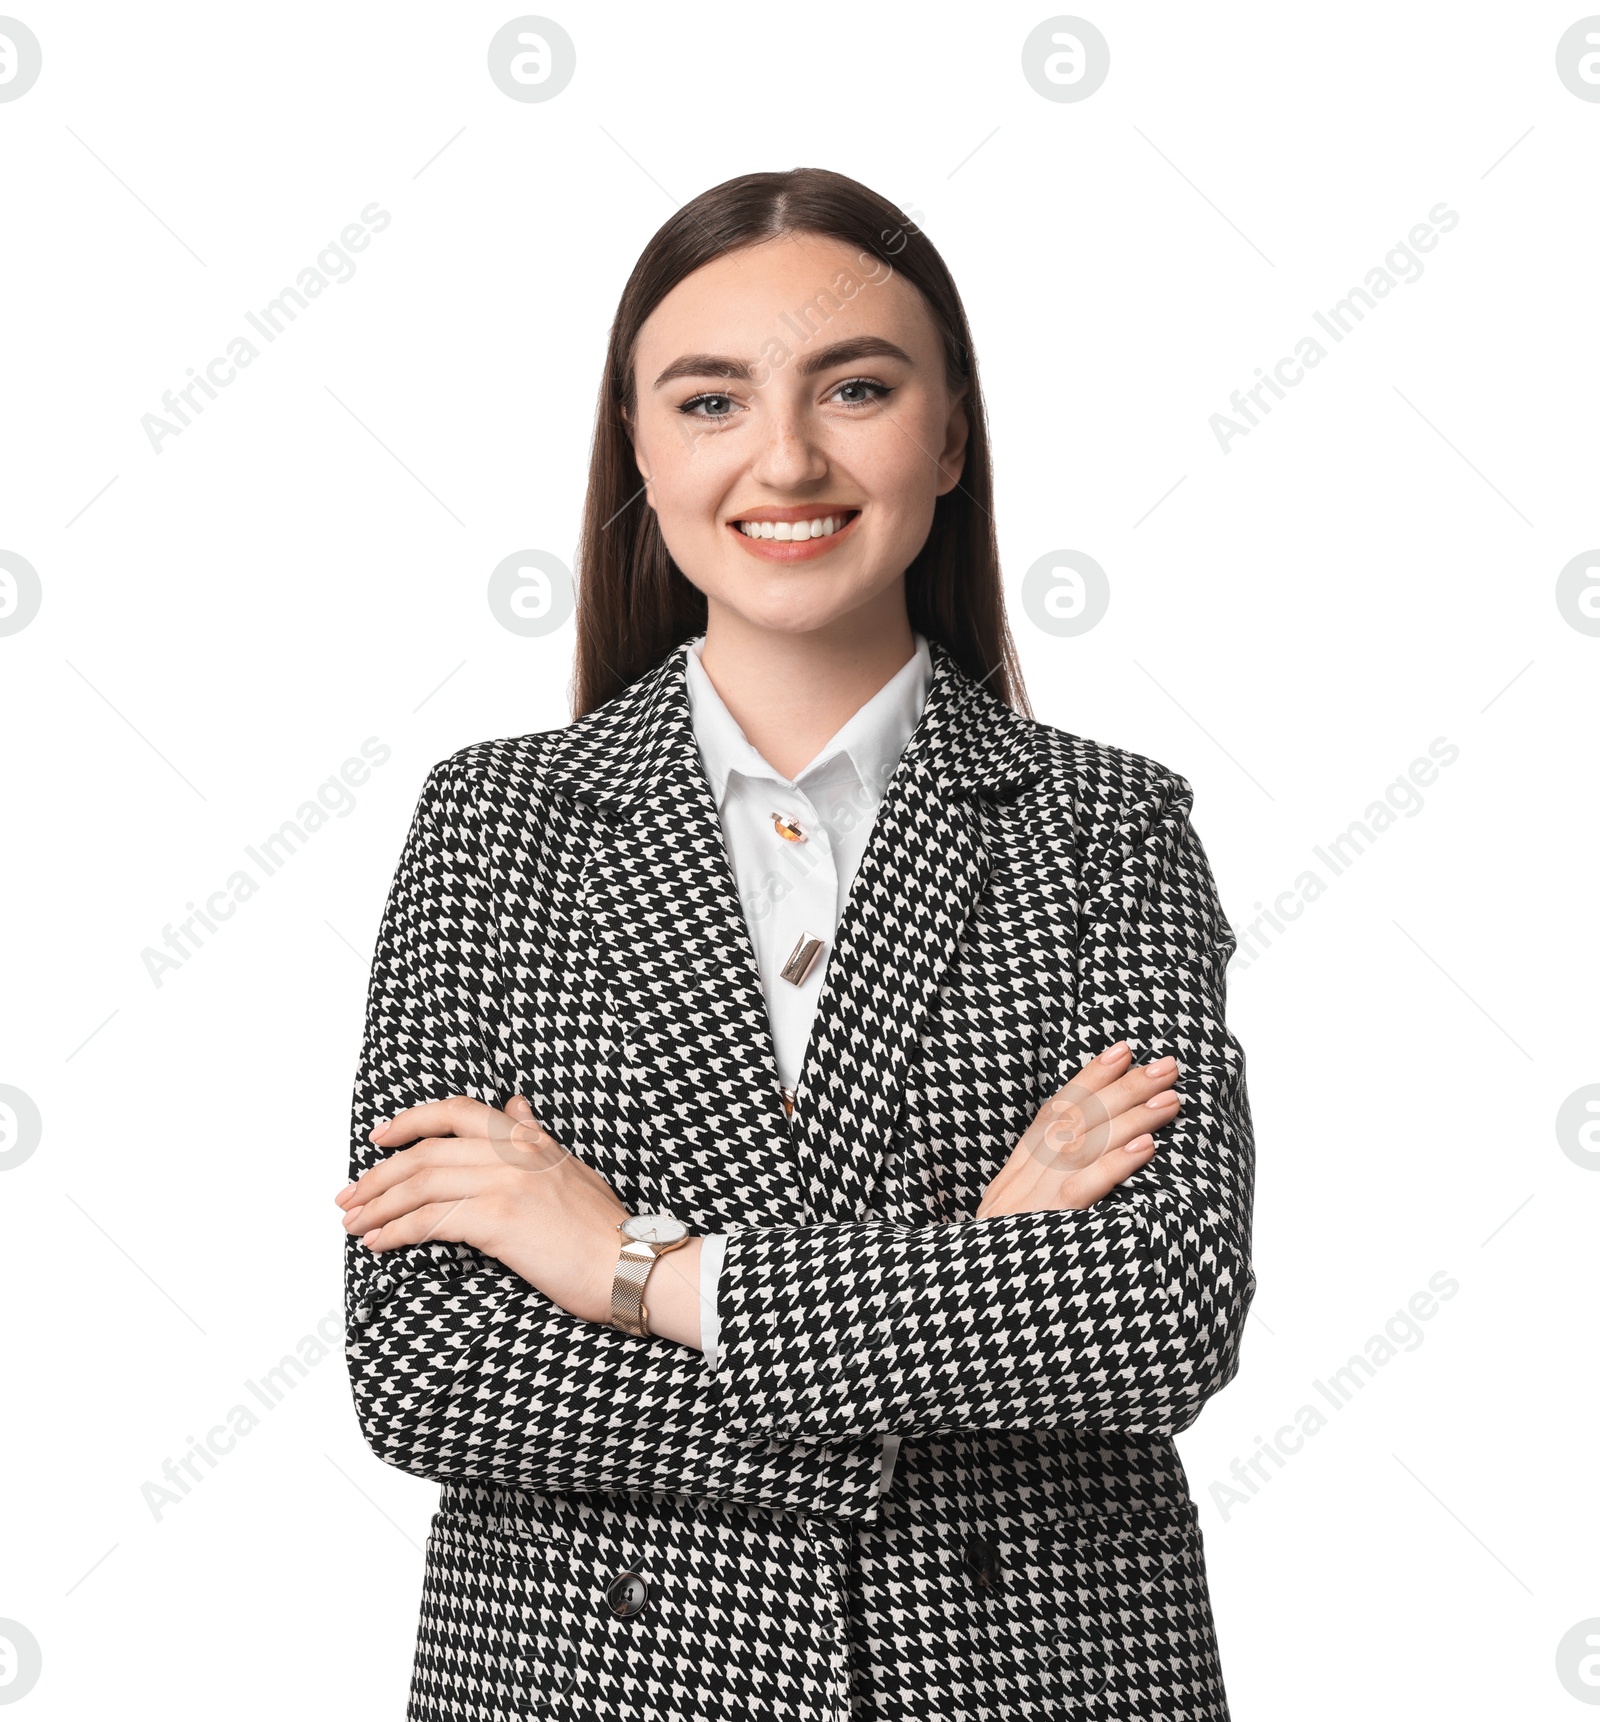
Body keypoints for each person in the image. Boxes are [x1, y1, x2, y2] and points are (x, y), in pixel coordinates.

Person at [335, 166, 1255, 1721]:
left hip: (1026, 1677)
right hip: (598, 1681)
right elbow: (424, 1360)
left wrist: (636, 1266)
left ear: (949, 432)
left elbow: (1159, 1311)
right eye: (708, 401)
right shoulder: (497, 825)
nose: (786, 457)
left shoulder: (1107, 825)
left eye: (859, 388)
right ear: (635, 446)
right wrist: (973, 1275)